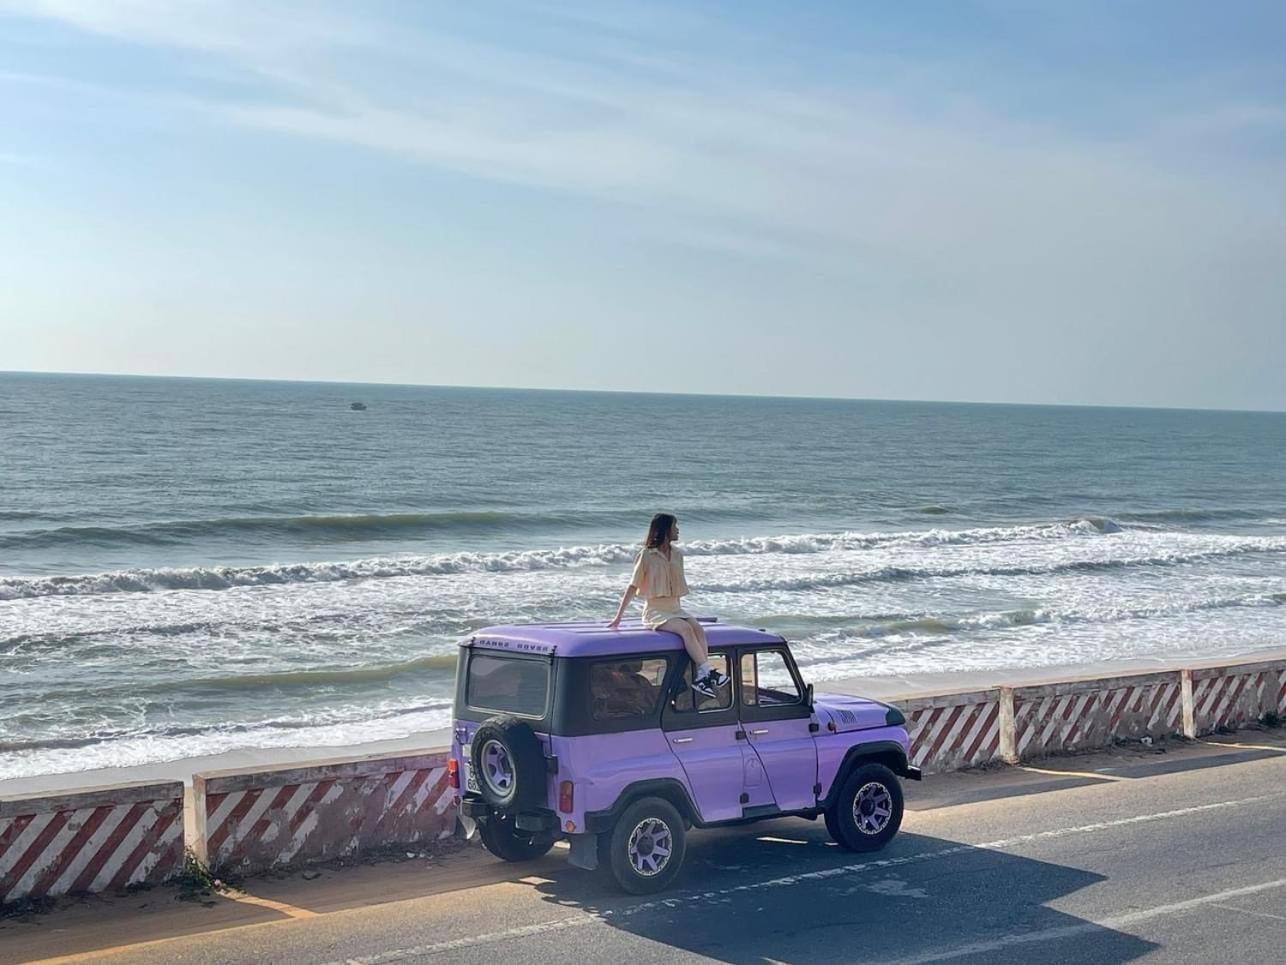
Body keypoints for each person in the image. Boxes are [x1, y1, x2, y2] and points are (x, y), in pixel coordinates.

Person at [607, 513, 730, 699]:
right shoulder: (646, 555)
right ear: (665, 529)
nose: (678, 530)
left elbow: (676, 586)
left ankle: (702, 675)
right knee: (686, 630)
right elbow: (633, 586)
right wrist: (618, 617)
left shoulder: (678, 554)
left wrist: (681, 612)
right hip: (655, 610)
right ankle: (706, 672)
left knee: (697, 629)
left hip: (675, 607)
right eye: (675, 526)